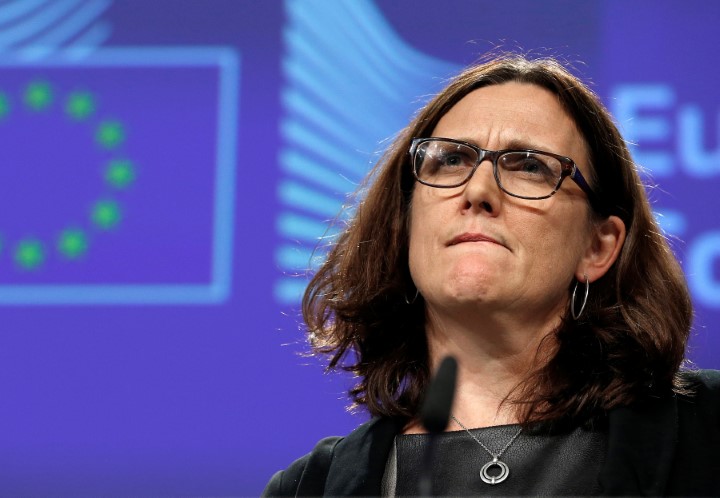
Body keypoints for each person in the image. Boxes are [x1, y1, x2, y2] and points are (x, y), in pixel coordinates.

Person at [263, 54, 720, 496]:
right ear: (405, 229)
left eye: (529, 166)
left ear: (597, 246)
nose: (477, 190)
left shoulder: (709, 432)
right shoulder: (307, 490)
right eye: (450, 161)